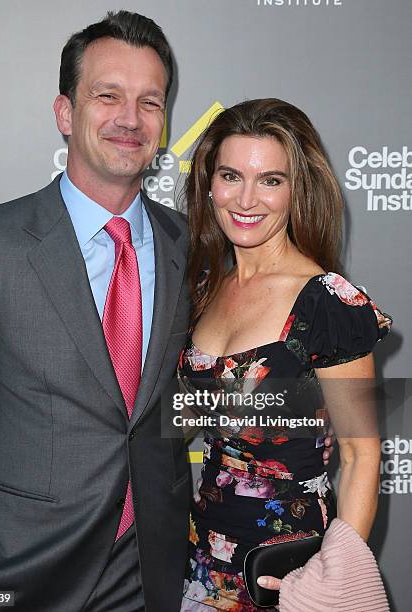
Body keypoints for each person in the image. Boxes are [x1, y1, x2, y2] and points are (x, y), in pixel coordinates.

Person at [0, 11, 192, 612]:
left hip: (151, 572)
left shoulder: (196, 248)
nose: (130, 119)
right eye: (107, 96)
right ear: (65, 112)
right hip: (13, 572)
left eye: (149, 102)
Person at [178, 98, 392, 611]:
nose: (247, 199)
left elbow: (362, 456)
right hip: (201, 556)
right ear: (209, 183)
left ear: (297, 191)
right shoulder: (206, 288)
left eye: (271, 180)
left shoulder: (326, 302)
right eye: (232, 175)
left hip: (288, 570)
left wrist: (331, 577)